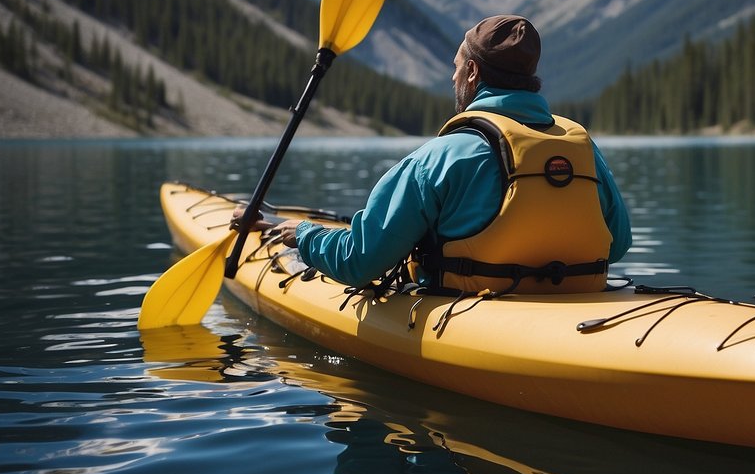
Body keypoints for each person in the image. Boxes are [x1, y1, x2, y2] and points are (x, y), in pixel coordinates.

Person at [246, 15, 631, 295]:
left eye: (456, 67)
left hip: (469, 315)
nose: (452, 77)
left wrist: (303, 234)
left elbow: (359, 262)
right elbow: (619, 244)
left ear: (473, 72)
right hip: (576, 305)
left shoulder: (439, 157)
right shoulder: (581, 147)